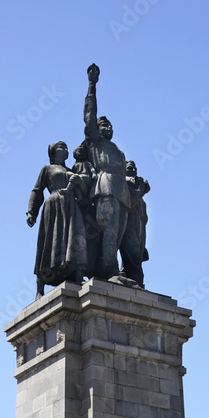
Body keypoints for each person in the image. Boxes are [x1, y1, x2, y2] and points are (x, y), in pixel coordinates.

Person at [83, 63, 131, 279]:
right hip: (106, 187)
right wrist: (92, 85)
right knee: (109, 229)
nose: (109, 128)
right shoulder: (95, 142)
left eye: (111, 126)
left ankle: (109, 269)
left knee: (118, 235)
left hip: (122, 192)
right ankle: (111, 270)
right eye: (105, 125)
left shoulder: (117, 151)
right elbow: (89, 115)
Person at [26, 141, 88, 297]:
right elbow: (37, 191)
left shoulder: (72, 170)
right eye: (61, 147)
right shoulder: (47, 169)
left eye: (66, 148)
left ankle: (77, 275)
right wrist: (31, 211)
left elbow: (84, 193)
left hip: (72, 206)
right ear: (53, 152)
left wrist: (80, 183)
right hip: (54, 205)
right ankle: (40, 287)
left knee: (75, 237)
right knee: (48, 243)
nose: (65, 150)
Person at [72, 142, 100, 280]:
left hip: (91, 200)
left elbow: (94, 173)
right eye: (78, 151)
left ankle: (94, 269)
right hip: (81, 202)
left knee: (93, 235)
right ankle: (79, 270)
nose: (81, 153)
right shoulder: (75, 167)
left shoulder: (88, 165)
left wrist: (94, 174)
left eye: (82, 151)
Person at [120, 160, 150, 286]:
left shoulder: (139, 191)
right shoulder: (125, 183)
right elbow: (128, 204)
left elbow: (144, 217)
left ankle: (129, 277)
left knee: (136, 258)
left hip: (140, 227)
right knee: (133, 257)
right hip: (129, 223)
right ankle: (137, 282)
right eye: (129, 168)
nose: (133, 171)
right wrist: (141, 190)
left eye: (134, 168)